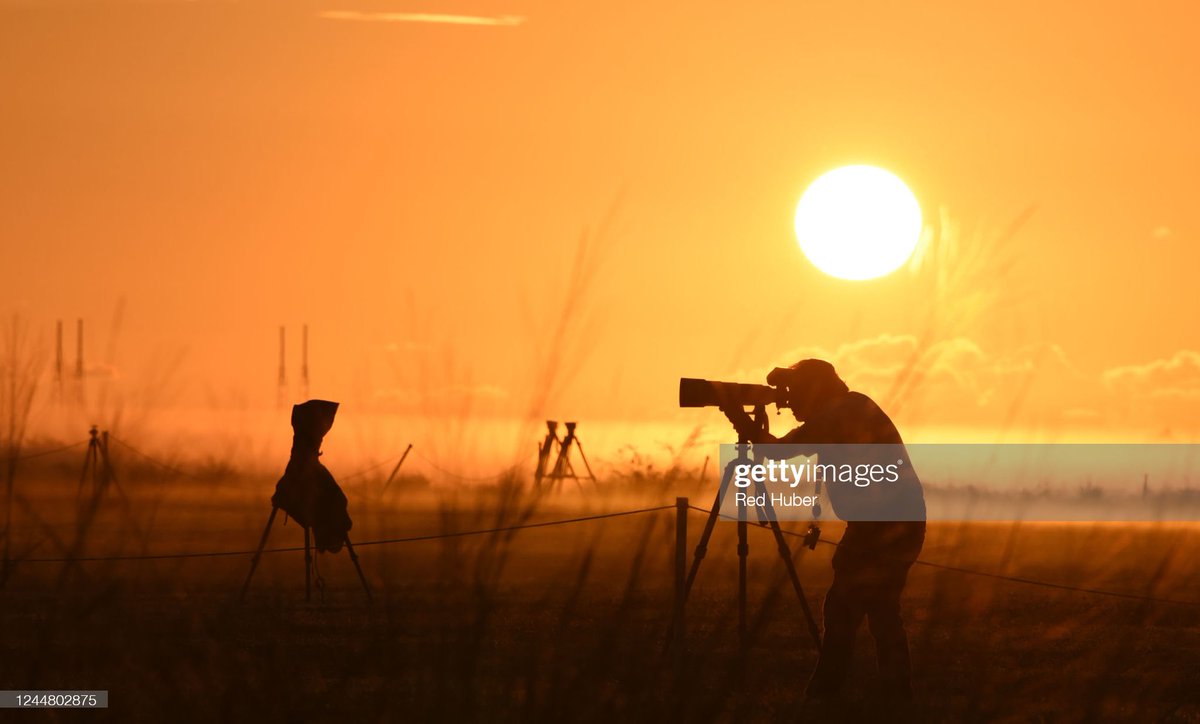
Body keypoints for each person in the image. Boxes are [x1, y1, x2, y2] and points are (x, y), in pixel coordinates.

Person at [721, 358, 926, 701]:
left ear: (814, 392)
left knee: (845, 611)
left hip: (881, 528)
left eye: (795, 394)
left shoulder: (835, 416)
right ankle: (895, 696)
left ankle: (826, 695)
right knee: (882, 611)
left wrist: (737, 416)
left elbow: (776, 452)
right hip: (894, 522)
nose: (791, 404)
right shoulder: (851, 405)